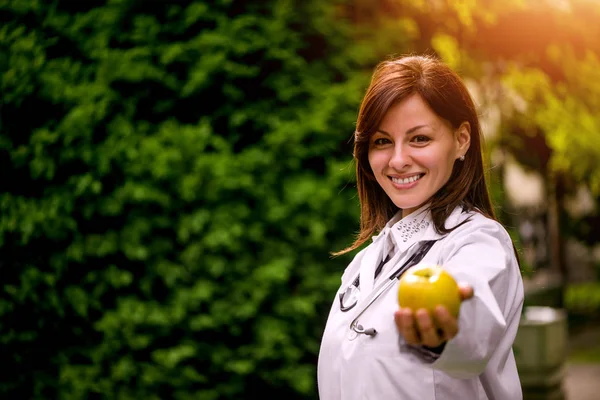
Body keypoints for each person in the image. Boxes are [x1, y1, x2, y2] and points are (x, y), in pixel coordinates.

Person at [317, 54, 524, 400]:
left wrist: (445, 327)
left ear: (461, 140)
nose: (398, 160)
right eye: (382, 141)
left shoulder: (479, 243)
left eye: (419, 139)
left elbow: (473, 317)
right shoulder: (364, 264)